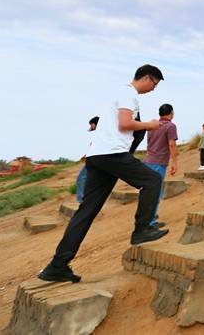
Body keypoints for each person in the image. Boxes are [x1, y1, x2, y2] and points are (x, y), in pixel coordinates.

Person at [38, 65, 167, 283]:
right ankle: (142, 230)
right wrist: (150, 125)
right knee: (153, 180)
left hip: (97, 156)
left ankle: (57, 266)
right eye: (154, 84)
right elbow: (125, 124)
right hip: (111, 154)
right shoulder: (129, 94)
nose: (153, 89)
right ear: (146, 78)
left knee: (86, 210)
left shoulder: (119, 93)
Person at [143, 104, 178, 229]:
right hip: (158, 164)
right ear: (171, 113)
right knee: (155, 193)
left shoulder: (153, 126)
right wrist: (174, 162)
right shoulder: (170, 126)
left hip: (147, 161)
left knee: (148, 193)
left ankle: (147, 219)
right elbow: (172, 144)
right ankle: (150, 223)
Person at [75, 116, 99, 204]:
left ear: (94, 124)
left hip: (95, 159)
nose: (92, 128)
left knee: (81, 178)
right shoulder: (104, 132)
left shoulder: (100, 133)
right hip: (97, 158)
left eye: (92, 125)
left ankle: (82, 199)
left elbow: (96, 147)